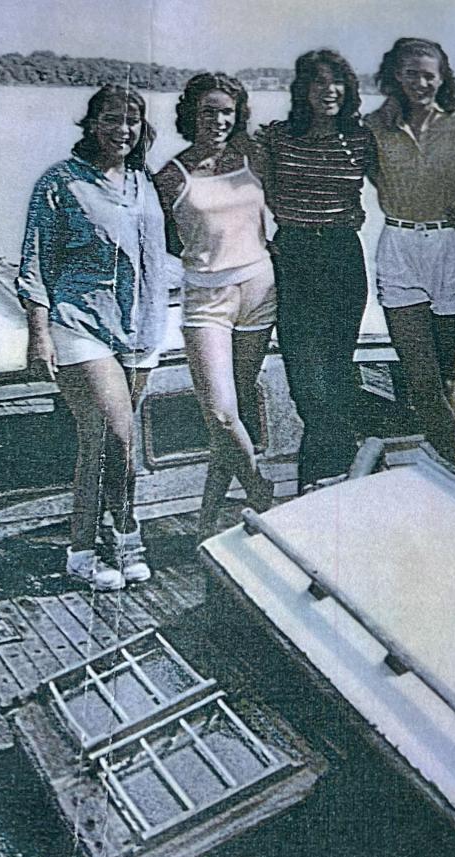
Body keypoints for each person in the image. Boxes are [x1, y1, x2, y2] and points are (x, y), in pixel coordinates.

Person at [17, 83, 170, 591]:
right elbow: (35, 264)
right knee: (115, 435)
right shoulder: (60, 183)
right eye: (110, 120)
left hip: (142, 327)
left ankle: (85, 547)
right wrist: (39, 335)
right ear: (91, 124)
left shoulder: (144, 180)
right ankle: (123, 535)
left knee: (101, 446)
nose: (120, 130)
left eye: (130, 121)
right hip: (80, 322)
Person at [154, 73, 275, 536]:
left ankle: (206, 523)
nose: (219, 120)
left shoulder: (253, 158)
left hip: (260, 292)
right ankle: (262, 493)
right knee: (222, 415)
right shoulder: (170, 175)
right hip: (206, 300)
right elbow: (161, 239)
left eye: (228, 111)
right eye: (209, 111)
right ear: (190, 115)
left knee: (234, 418)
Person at [364, 37, 455, 478]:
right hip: (398, 247)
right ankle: (454, 465)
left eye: (428, 74)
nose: (420, 82)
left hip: (449, 249)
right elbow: (363, 173)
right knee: (420, 375)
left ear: (443, 77)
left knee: (448, 372)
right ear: (395, 76)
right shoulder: (374, 126)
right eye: (410, 73)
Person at [256, 50, 374, 490]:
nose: (330, 90)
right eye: (319, 81)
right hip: (295, 255)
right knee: (306, 382)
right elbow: (249, 187)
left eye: (338, 81)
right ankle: (341, 479)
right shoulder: (277, 137)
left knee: (337, 374)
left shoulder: (361, 139)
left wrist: (451, 208)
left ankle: (321, 485)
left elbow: (399, 183)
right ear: (302, 89)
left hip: (343, 257)